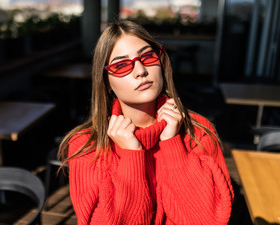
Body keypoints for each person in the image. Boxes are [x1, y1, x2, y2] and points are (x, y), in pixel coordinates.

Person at [58, 20, 234, 225]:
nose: (140, 70)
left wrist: (173, 144)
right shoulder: (87, 144)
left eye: (147, 56)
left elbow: (209, 220)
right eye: (121, 65)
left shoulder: (198, 131)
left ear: (161, 62)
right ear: (106, 82)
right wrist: (132, 156)